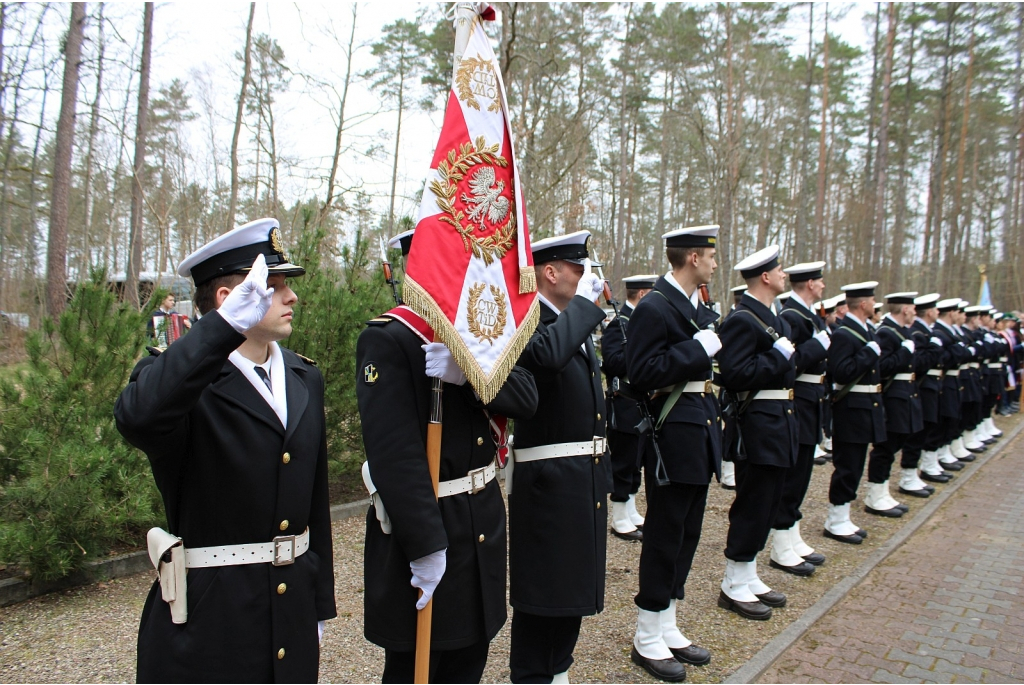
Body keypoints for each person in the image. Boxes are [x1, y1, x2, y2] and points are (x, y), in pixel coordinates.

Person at [115, 218, 336, 683]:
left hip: (289, 610)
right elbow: (138, 418)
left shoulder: (304, 377)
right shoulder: (178, 380)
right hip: (213, 620)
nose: (291, 296)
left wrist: (318, 606)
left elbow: (314, 505)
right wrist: (220, 331)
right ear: (228, 300)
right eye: (273, 286)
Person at [356, 228, 539, 684]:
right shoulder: (390, 338)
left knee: (468, 659)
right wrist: (425, 547)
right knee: (418, 666)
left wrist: (472, 374)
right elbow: (394, 457)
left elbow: (527, 397)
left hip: (480, 518)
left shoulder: (479, 333)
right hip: (429, 526)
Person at [508, 230, 609, 684]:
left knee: (571, 594)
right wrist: (586, 308)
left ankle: (558, 672)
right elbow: (546, 357)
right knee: (545, 599)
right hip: (549, 484)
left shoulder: (570, 320)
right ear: (550, 272)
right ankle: (534, 675)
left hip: (579, 478)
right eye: (578, 267)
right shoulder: (527, 317)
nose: (587, 276)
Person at [624, 225, 722, 681]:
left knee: (688, 531)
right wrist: (695, 350)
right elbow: (640, 372)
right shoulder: (656, 306)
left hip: (696, 429)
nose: (715, 262)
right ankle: (647, 634)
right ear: (693, 258)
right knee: (665, 533)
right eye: (710, 254)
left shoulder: (691, 306)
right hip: (671, 433)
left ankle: (667, 622)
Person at [717, 245, 801, 621]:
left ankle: (748, 574)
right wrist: (776, 357)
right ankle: (733, 582)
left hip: (779, 419)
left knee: (770, 501)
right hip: (757, 423)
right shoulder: (742, 319)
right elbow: (734, 375)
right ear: (765, 277)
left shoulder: (775, 318)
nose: (785, 274)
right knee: (753, 504)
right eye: (780, 270)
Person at [771, 262, 831, 574]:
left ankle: (792, 535)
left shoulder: (806, 313)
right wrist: (816, 347)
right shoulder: (792, 315)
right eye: (819, 281)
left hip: (811, 401)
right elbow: (789, 363)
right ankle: (781, 543)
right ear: (809, 283)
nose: (822, 286)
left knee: (803, 471)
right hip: (800, 400)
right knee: (794, 477)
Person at [823, 281, 886, 544]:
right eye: (872, 301)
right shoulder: (845, 333)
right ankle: (835, 519)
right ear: (863, 304)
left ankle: (844, 515)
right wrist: (868, 355)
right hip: (850, 409)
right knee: (847, 466)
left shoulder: (864, 330)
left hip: (865, 408)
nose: (874, 305)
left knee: (856, 464)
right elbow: (841, 373)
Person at [602, 274, 659, 542]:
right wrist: (634, 351)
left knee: (638, 460)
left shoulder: (638, 324)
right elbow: (611, 363)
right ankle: (620, 515)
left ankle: (631, 507)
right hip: (623, 403)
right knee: (624, 460)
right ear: (643, 294)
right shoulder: (619, 324)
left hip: (641, 401)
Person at [862, 292, 921, 517]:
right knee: (885, 448)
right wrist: (905, 353)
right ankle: (875, 493)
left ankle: (882, 490)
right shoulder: (887, 332)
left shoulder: (901, 332)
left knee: (895, 444)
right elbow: (882, 367)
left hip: (904, 395)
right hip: (892, 397)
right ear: (905, 309)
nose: (915, 311)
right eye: (912, 307)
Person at [900, 293, 950, 490]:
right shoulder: (918, 332)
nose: (938, 312)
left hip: (931, 385)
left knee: (927, 428)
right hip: (922, 386)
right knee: (917, 433)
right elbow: (918, 364)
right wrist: (935, 350)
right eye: (935, 309)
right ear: (929, 312)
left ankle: (919, 469)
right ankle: (908, 475)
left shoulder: (925, 331)